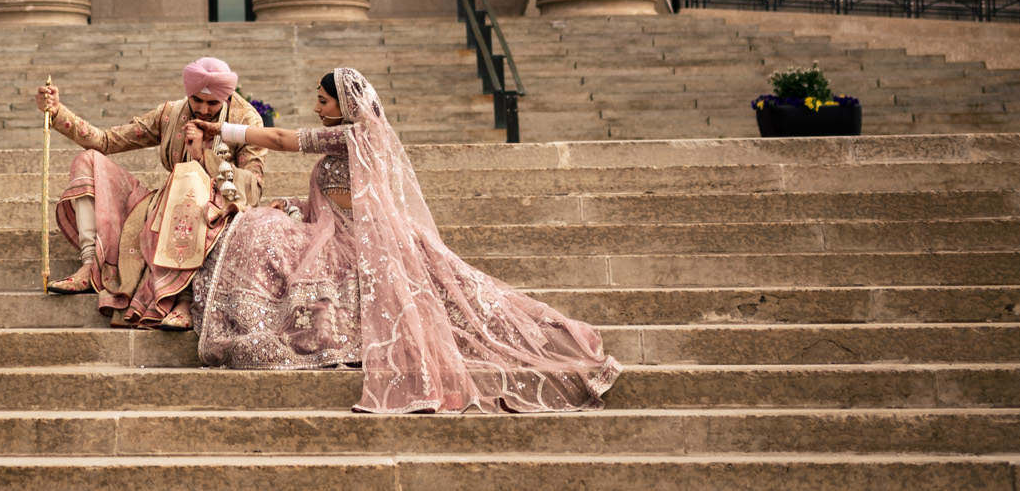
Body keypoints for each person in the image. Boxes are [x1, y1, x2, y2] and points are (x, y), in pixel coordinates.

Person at [188, 67, 619, 414]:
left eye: (323, 101)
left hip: (356, 242)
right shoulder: (353, 142)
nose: (317, 109)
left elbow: (282, 139)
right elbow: (342, 202)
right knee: (264, 225)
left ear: (345, 104)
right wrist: (298, 207)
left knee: (260, 234)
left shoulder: (355, 136)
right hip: (343, 232)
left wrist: (221, 130)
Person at [36, 57, 265, 329]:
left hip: (217, 211)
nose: (203, 109)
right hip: (162, 205)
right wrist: (57, 111)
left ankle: (182, 298)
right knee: (89, 159)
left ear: (226, 98)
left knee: (189, 175)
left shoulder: (247, 120)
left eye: (212, 103)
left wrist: (203, 157)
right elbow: (106, 141)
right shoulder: (170, 113)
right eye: (197, 100)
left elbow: (253, 188)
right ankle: (90, 267)